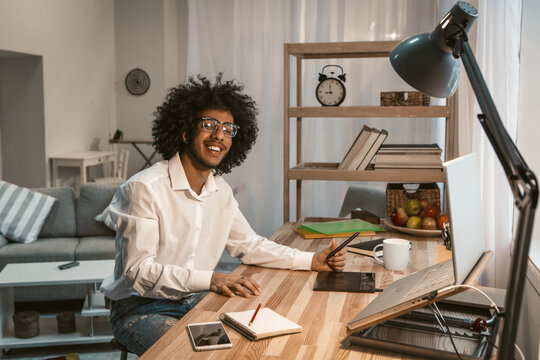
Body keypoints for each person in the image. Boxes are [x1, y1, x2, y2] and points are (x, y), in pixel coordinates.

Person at [100, 74, 346, 355]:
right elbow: (139, 273)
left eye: (228, 129)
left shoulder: (220, 190)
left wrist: (312, 260)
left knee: (255, 340)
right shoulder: (144, 188)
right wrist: (213, 278)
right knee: (200, 355)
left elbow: (249, 245)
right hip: (140, 308)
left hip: (196, 299)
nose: (219, 135)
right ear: (184, 132)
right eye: (209, 125)